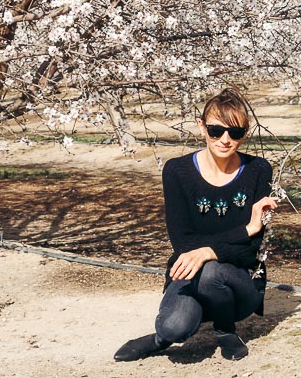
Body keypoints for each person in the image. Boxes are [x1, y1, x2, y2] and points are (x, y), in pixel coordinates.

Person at [114, 89, 279, 363]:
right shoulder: (177, 171)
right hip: (189, 271)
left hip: (241, 284)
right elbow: (184, 244)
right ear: (201, 126)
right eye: (216, 130)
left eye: (235, 133)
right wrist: (245, 230)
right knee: (174, 327)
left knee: (213, 271)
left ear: (246, 133)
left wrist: (208, 252)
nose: (225, 140)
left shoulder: (258, 171)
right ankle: (158, 339)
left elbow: (250, 253)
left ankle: (225, 329)